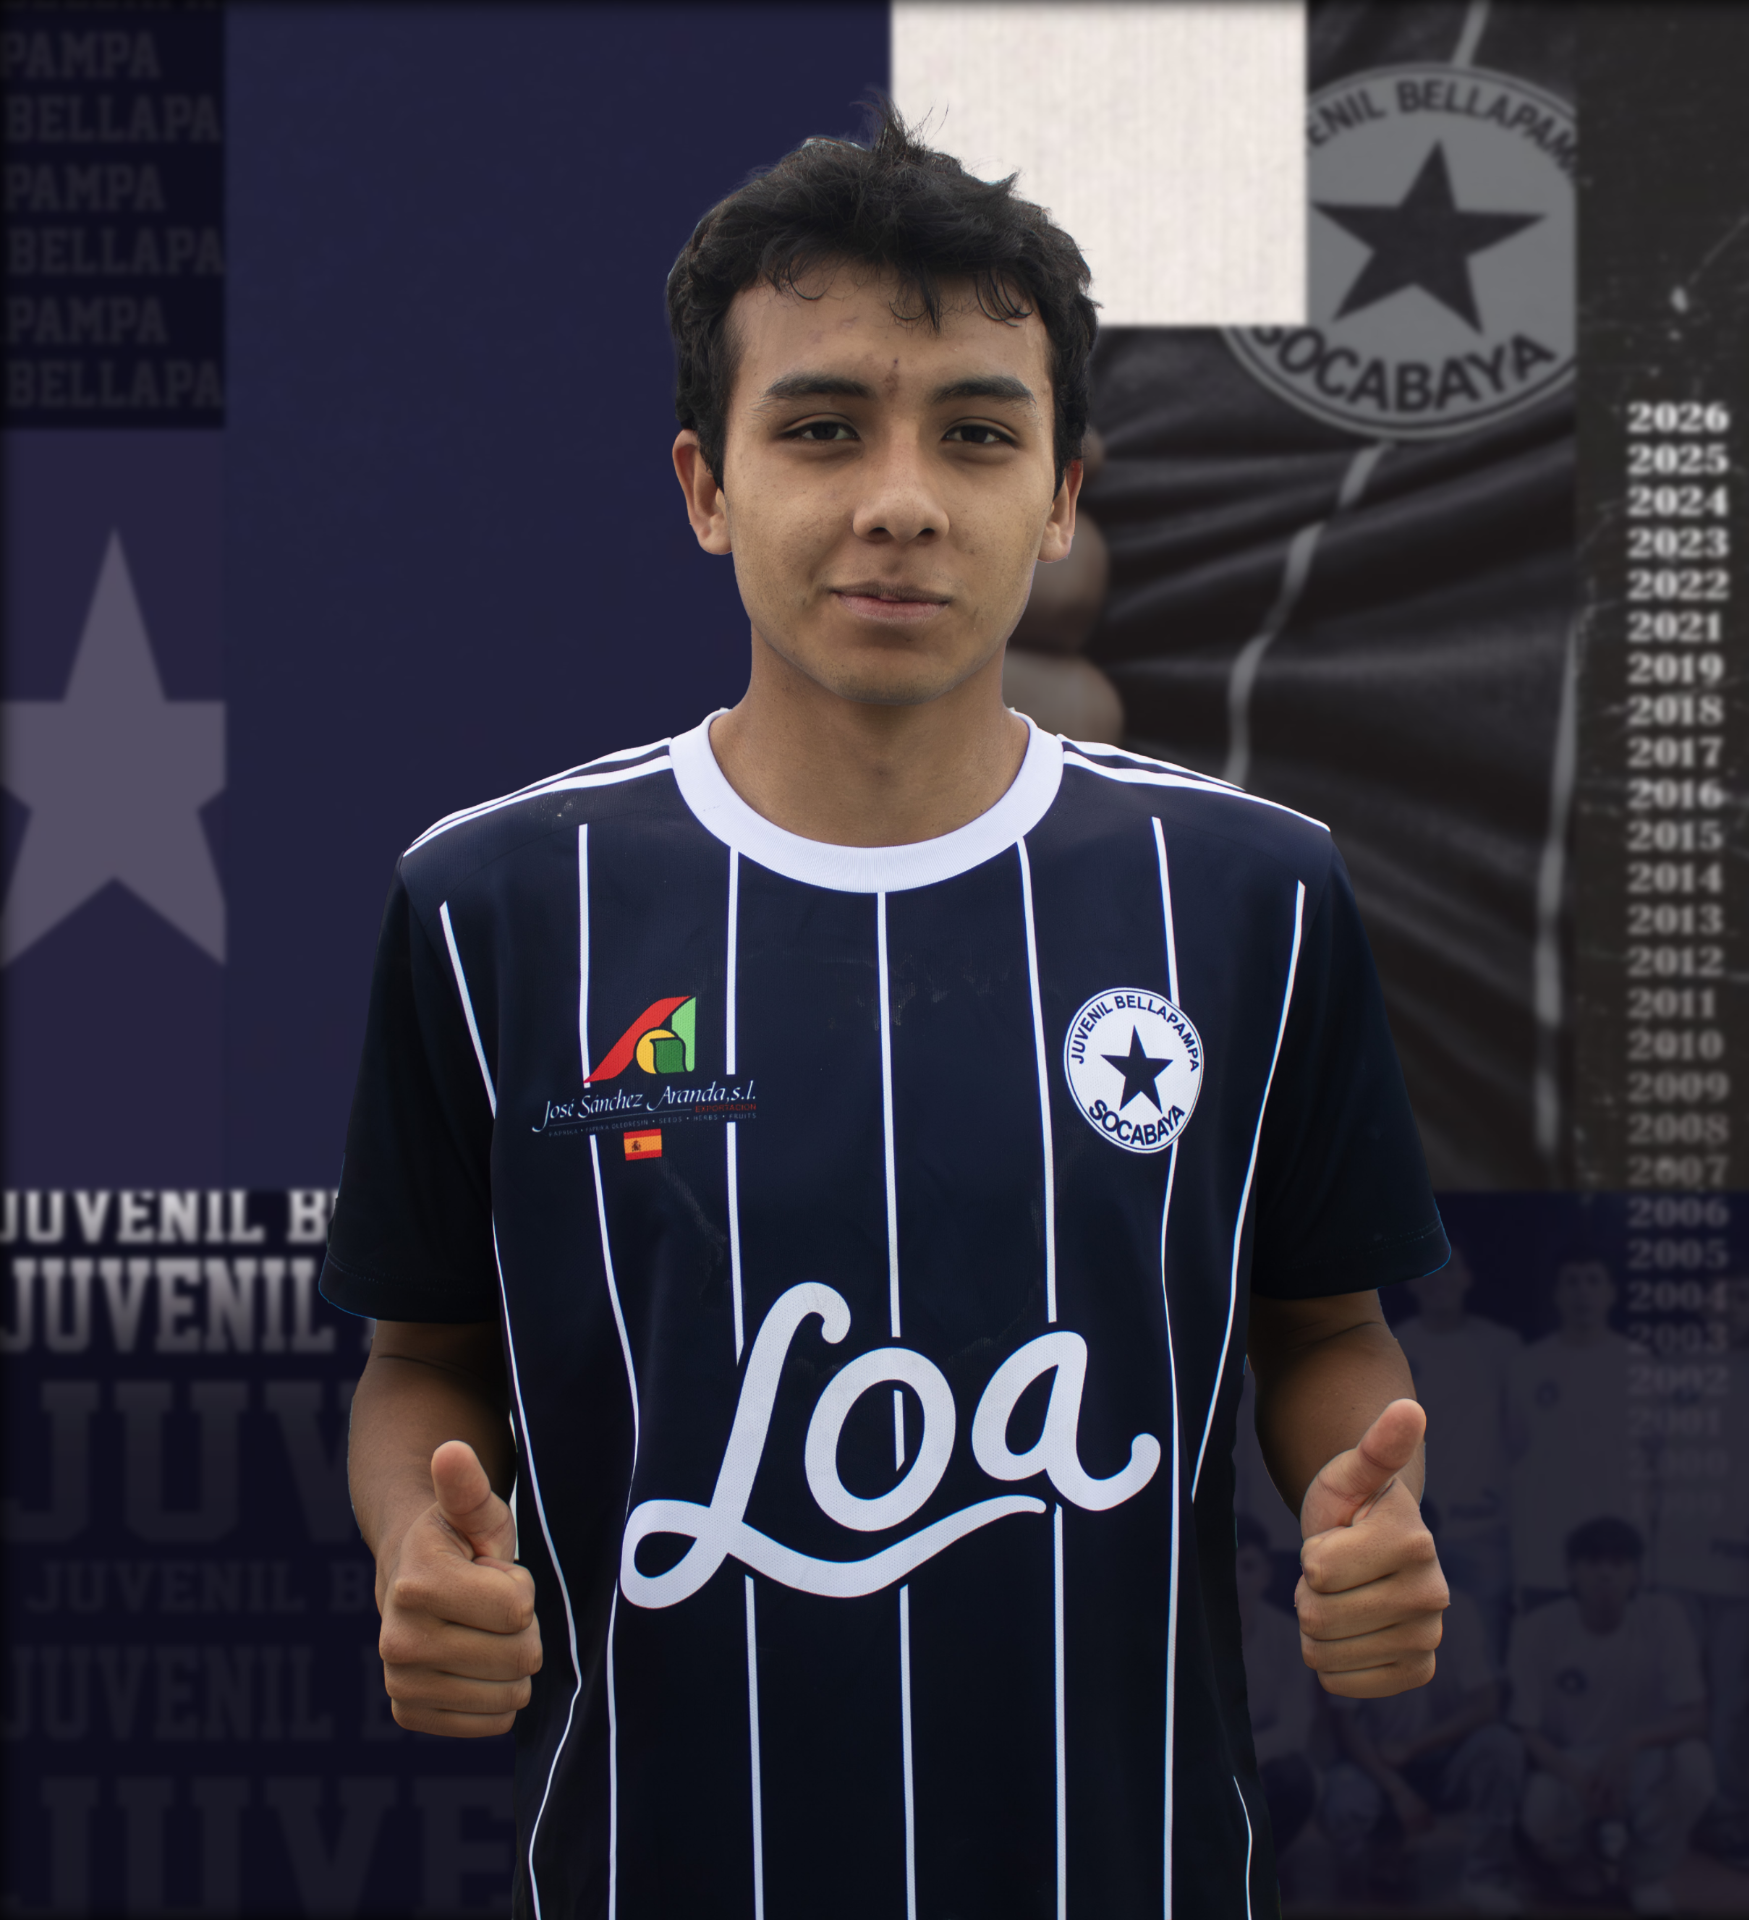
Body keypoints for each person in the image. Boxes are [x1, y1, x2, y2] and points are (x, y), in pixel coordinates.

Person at [324, 110, 1453, 1917]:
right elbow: (422, 1359)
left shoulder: (1250, 894)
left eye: (979, 434)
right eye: (823, 426)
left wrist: (1359, 1507)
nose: (903, 500)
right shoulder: (498, 906)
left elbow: (1328, 1325)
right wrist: (415, 1546)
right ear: (705, 484)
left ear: (1062, 496)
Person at [1510, 1516, 1714, 1916]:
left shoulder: (1665, 1618)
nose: (1606, 1573)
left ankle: (1644, 1874)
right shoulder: (1537, 1629)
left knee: (1696, 1767)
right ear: (1571, 1571)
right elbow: (1524, 1729)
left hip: (1640, 1760)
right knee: (1541, 1810)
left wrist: (1631, 1742)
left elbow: (1696, 1716)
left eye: (1619, 1563)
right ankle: (1576, 1863)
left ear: (1636, 1574)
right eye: (1593, 1562)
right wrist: (1574, 1775)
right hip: (1571, 1763)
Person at [1650, 1262, 1749, 1871]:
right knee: (1674, 1698)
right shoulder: (1666, 1372)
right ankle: (1663, 1815)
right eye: (1720, 1298)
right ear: (1703, 1306)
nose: (1729, 1307)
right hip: (1674, 1565)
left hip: (1746, 1570)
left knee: (1733, 1704)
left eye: (1743, 1297)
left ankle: (1729, 1817)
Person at [1318, 1590, 1525, 1914]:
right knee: (1344, 1806)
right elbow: (1344, 1725)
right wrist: (1397, 1790)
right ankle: (1383, 1847)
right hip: (1380, 1766)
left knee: (1500, 1745)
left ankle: (1484, 1876)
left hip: (1446, 1760)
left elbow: (1486, 1705)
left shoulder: (1458, 1610)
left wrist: (1413, 1747)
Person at [1394, 1245, 1521, 1659]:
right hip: (1413, 1529)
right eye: (1429, 1270)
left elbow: (1523, 1437)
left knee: (1484, 1650)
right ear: (1411, 1282)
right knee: (1413, 1651)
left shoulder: (1503, 1348)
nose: (1439, 1281)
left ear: (1468, 1278)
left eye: (1450, 1269)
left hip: (1485, 1527)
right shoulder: (1393, 1347)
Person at [1508, 1254, 1645, 1610]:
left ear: (1612, 1292)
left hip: (1618, 1551)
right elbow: (1511, 1454)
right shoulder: (1527, 1365)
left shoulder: (1641, 1364)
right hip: (1544, 1550)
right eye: (1572, 1281)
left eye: (1593, 1281)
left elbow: (1655, 1460)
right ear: (1556, 1294)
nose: (1582, 1292)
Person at [1235, 1513, 1319, 1859]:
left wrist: (1241, 1760)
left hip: (1260, 1760)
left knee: (1295, 1781)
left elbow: (1294, 1730)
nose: (1235, 1577)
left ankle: (1265, 1868)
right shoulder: (1181, 1636)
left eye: (1248, 1566)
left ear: (1266, 1575)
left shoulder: (1288, 1637)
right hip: (1200, 1759)